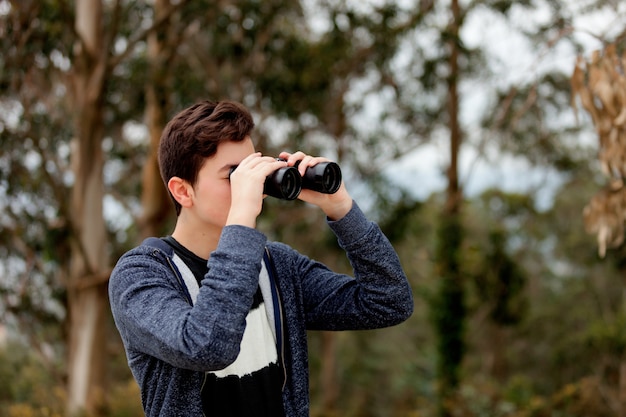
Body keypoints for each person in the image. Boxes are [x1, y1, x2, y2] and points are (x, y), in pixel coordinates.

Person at [108, 99, 414, 417]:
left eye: (252, 170)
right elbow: (208, 346)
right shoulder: (141, 275)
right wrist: (241, 216)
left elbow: (389, 302)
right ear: (183, 191)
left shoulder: (277, 267)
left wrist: (340, 208)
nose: (252, 186)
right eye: (234, 176)